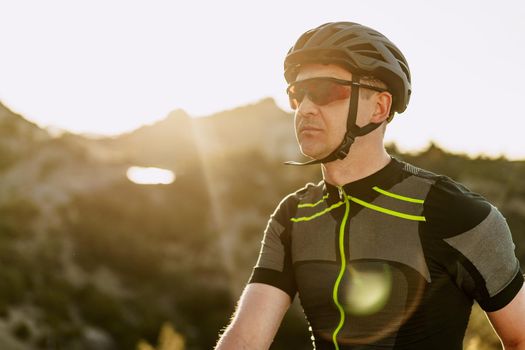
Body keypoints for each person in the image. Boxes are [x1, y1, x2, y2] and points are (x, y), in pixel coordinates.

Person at [215, 22, 525, 350]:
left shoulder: (456, 212)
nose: (305, 108)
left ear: (379, 108)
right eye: (297, 94)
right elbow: (246, 340)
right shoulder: (293, 216)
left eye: (324, 90)